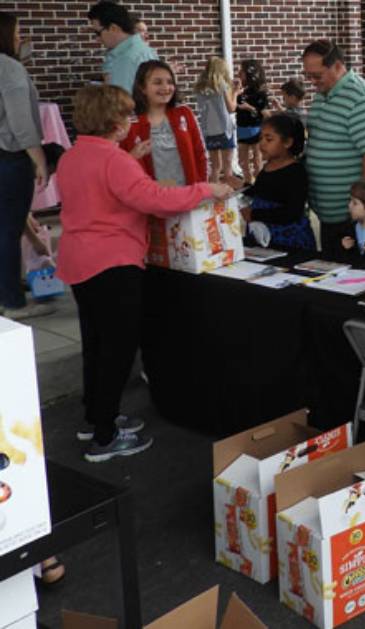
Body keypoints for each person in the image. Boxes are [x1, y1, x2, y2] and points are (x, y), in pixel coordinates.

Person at [57, 84, 234, 462]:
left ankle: (96, 416)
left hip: (78, 260)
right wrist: (206, 189)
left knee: (96, 345)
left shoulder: (75, 155)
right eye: (124, 114)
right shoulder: (113, 160)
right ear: (112, 120)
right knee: (118, 349)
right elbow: (153, 198)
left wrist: (131, 159)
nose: (130, 120)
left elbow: (104, 191)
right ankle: (105, 437)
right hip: (112, 262)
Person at [301, 40, 365, 252]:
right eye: (307, 75)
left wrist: (362, 211)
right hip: (334, 215)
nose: (311, 81)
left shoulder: (361, 99)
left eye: (316, 75)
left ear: (338, 66)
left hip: (359, 216)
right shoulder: (324, 94)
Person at [0, 12, 52, 321]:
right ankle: (14, 303)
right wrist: (39, 158)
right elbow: (21, 123)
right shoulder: (9, 68)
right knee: (7, 231)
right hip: (9, 157)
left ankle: (7, 287)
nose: (21, 38)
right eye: (17, 32)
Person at [120, 60, 207, 188]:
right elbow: (120, 166)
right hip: (152, 199)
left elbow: (200, 154)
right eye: (157, 82)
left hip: (189, 195)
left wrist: (202, 188)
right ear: (142, 87)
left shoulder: (184, 114)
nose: (166, 87)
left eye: (170, 82)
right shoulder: (129, 124)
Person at [241, 114, 315, 249]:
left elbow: (292, 211)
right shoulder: (268, 166)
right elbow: (263, 190)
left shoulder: (296, 173)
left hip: (286, 237)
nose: (262, 143)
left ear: (287, 143)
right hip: (263, 232)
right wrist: (242, 187)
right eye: (261, 138)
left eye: (269, 139)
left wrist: (254, 214)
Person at [87, 1, 157, 94]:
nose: (97, 39)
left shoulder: (127, 58)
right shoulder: (135, 51)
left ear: (113, 28)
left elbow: (121, 105)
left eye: (98, 33)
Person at [194, 56, 237, 183]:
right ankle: (227, 198)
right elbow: (231, 108)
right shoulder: (221, 85)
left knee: (215, 167)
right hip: (224, 130)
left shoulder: (200, 88)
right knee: (227, 167)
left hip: (209, 131)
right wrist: (235, 93)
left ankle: (214, 197)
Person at [234, 59, 269, 183]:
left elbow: (266, 114)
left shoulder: (260, 93)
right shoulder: (240, 91)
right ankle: (248, 181)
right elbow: (232, 107)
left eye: (241, 71)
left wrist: (249, 108)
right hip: (242, 129)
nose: (238, 73)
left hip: (256, 130)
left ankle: (259, 183)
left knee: (257, 159)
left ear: (250, 74)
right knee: (242, 160)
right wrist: (235, 92)